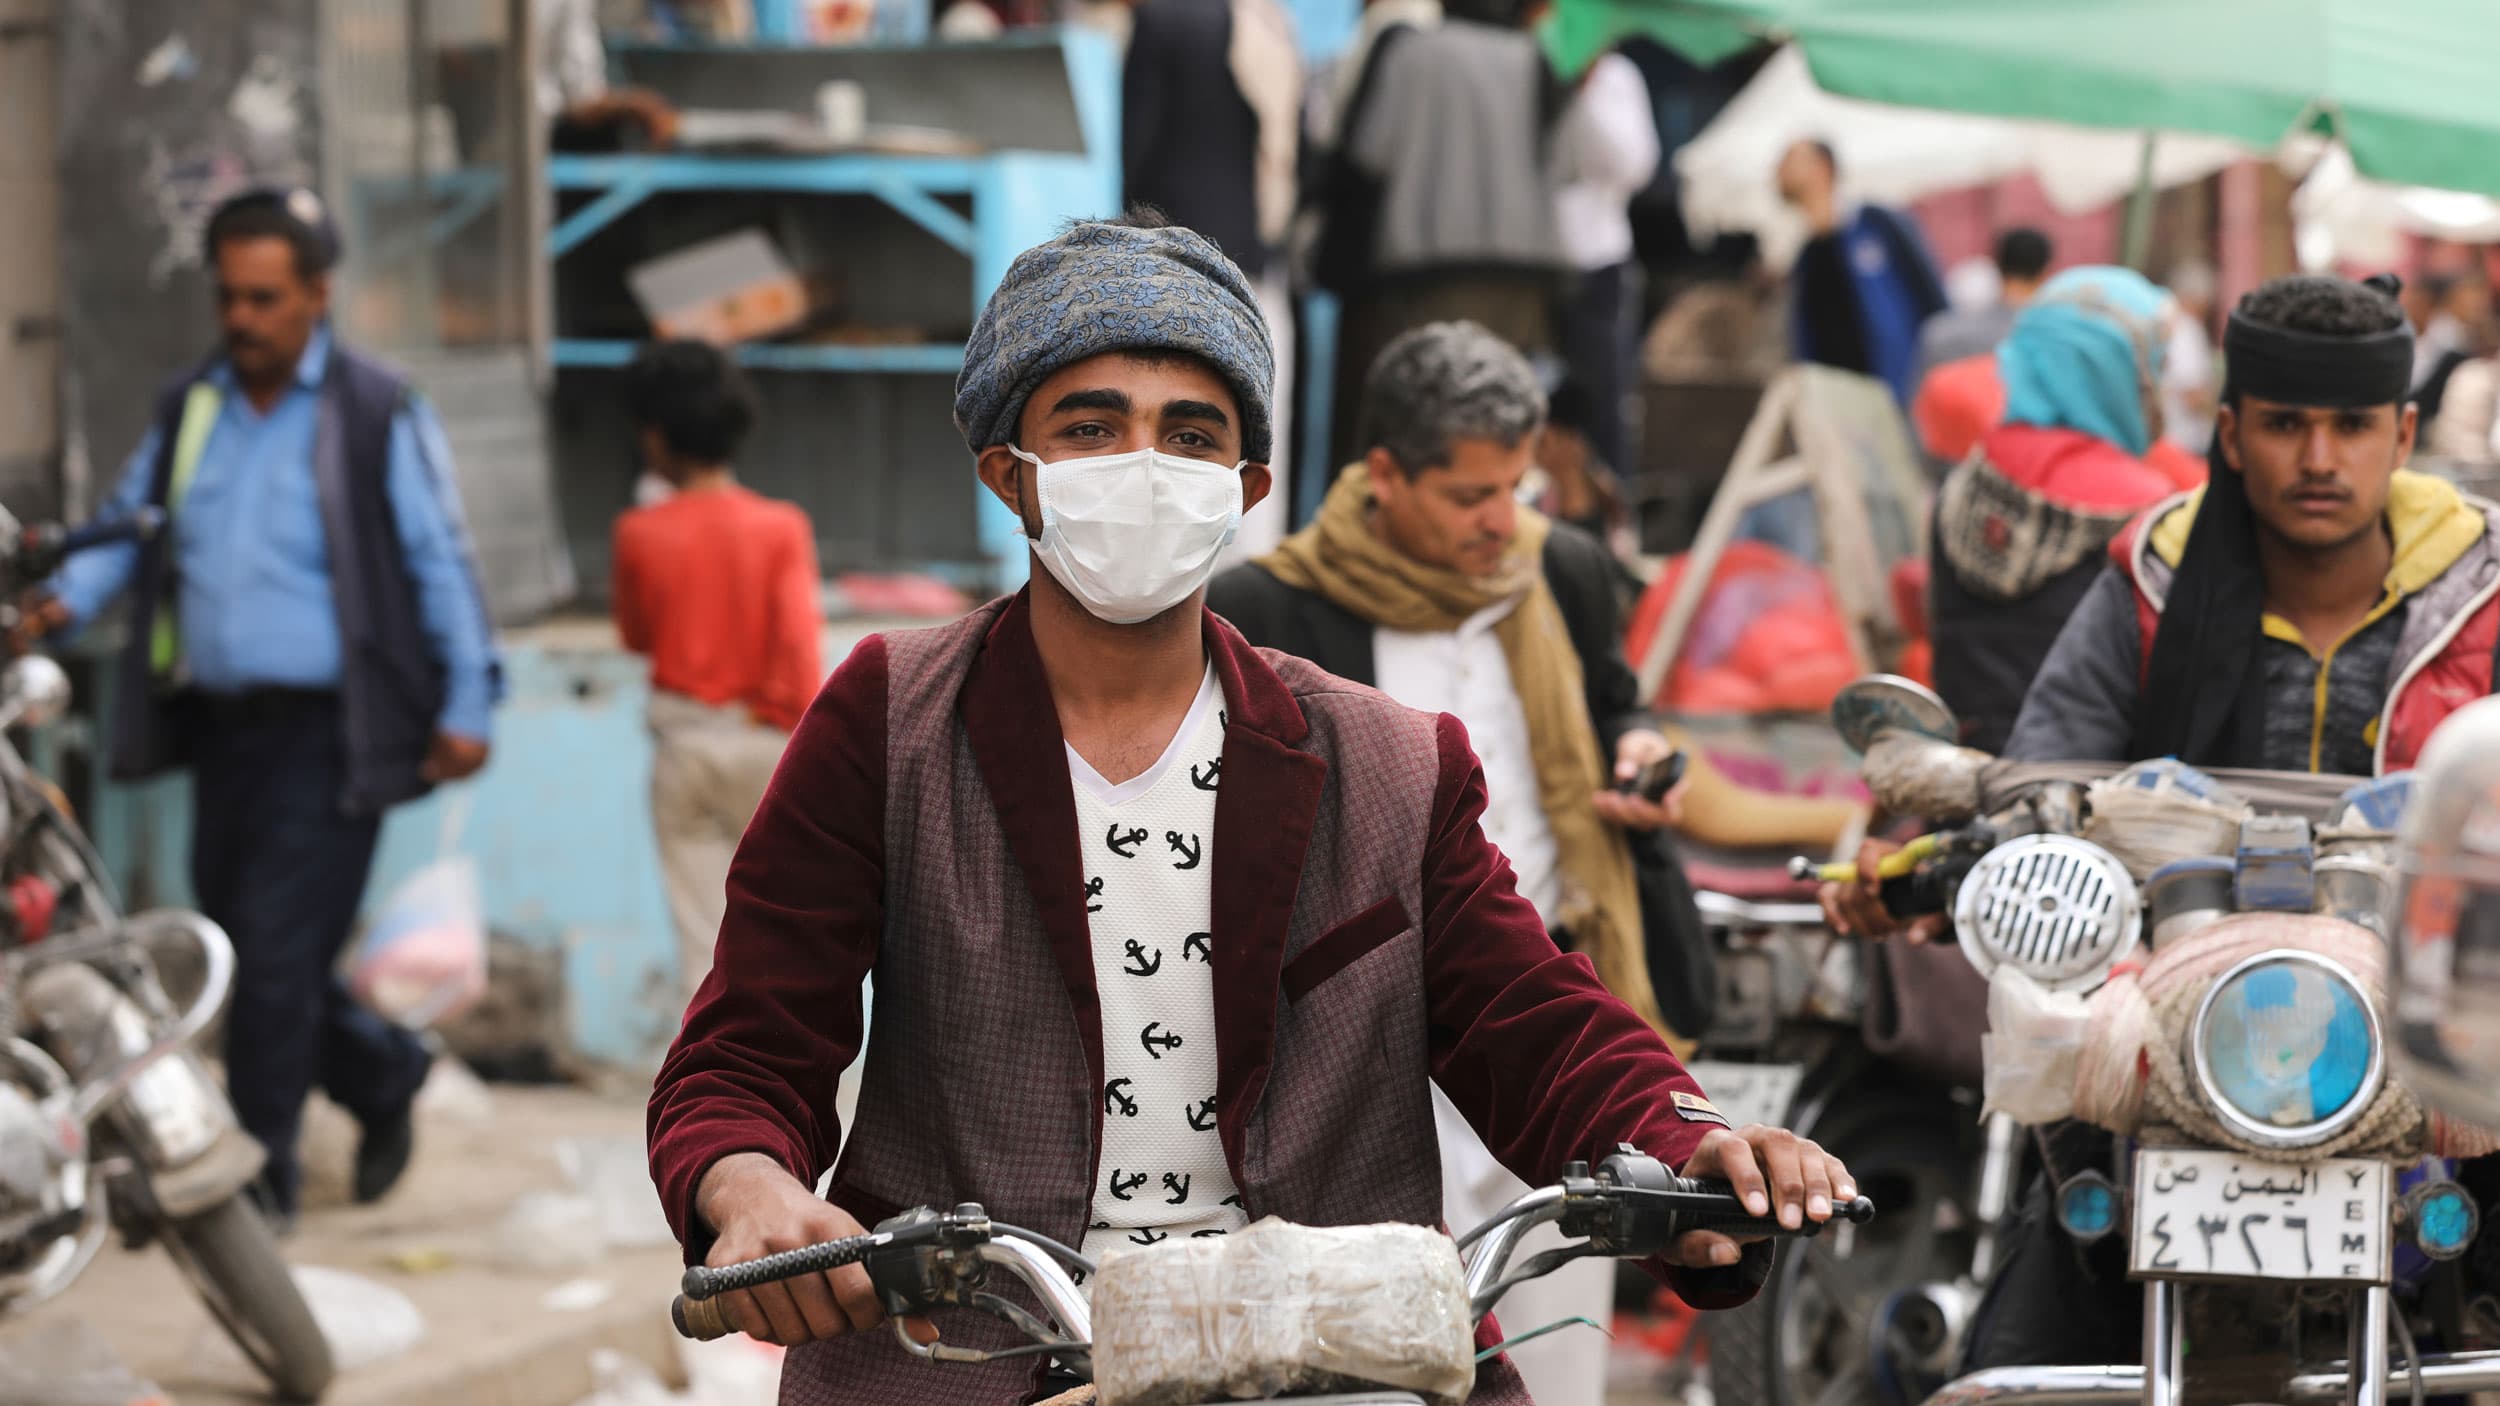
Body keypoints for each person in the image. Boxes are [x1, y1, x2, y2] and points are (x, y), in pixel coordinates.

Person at [647, 216, 1854, 1404]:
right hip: (967, 1353)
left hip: (1338, 1353)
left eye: (1188, 432)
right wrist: (747, 1184)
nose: (1143, 461)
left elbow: (1533, 1018)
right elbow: (752, 1039)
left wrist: (1684, 1136)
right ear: (1009, 475)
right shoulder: (889, 717)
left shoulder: (1384, 759)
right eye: (1090, 424)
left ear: (1244, 484)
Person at [1829, 271, 2500, 1370]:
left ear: (2405, 431)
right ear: (2229, 433)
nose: (2319, 459)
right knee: (2048, 1265)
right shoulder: (2149, 573)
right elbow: (2045, 766)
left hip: (2431, 1012)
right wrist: (1940, 854)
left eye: (2351, 426)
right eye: (2285, 424)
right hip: (2170, 1010)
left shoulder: (2483, 580)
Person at [1208, 321, 1706, 1406]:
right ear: (1383, 474)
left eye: (1517, 488)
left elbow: (1615, 707)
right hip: (1366, 1037)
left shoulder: (1561, 571)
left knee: (1557, 1311)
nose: (1503, 522)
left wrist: (1638, 752)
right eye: (1472, 495)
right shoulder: (1267, 610)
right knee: (1372, 1347)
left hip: (1532, 1004)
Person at [24, 188, 502, 1229]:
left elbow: (439, 560)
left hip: (335, 734)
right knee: (242, 951)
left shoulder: (375, 408)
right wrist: (50, 611)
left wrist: (470, 697)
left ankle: (258, 1191)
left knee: (277, 962)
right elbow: (126, 530)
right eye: (229, 297)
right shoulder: (191, 403)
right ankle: (381, 1072)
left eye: (266, 298)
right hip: (224, 728)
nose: (242, 318)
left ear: (318, 295)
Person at [610, 341, 823, 1004]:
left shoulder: (639, 532)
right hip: (768, 743)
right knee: (789, 930)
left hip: (683, 744)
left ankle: (706, 1094)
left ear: (654, 438)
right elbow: (796, 649)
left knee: (701, 941)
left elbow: (636, 636)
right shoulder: (781, 527)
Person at [1927, 267, 2200, 755]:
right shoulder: (2148, 505)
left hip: (1963, 774)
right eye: (2154, 367)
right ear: (2117, 375)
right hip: (2084, 788)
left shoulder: (1962, 482)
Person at [1314, 0, 1570, 466]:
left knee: (1420, 420)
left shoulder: (1411, 53)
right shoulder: (1535, 59)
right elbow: (1561, 163)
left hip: (1429, 269)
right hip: (1523, 275)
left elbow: (1370, 153)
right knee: (1499, 417)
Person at [1121, 0, 1303, 559]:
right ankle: (1246, 577)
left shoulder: (1163, 20)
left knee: (1172, 429)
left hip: (1174, 260)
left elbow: (1133, 146)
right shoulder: (1273, 26)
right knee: (1257, 430)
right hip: (1257, 264)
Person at [1552, 46, 1662, 480]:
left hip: (1595, 262)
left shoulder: (1615, 77)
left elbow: (1631, 166)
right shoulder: (1524, 62)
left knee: (1601, 404)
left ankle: (1603, 521)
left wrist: (1580, 88)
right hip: (1526, 261)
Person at [1776, 138, 1947, 405]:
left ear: (1822, 167)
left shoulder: (1877, 224)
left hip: (1904, 392)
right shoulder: (1806, 257)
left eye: (1790, 159)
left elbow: (1933, 296)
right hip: (1842, 406)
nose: (1778, 170)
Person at [1913, 226, 2051, 389]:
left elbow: (1919, 404)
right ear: (2045, 272)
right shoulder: (2053, 342)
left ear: (1996, 265)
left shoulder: (1943, 333)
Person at [2160, 259, 2218, 453]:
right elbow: (2192, 394)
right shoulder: (2187, 330)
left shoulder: (2165, 322)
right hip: (2186, 441)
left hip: (2168, 437)